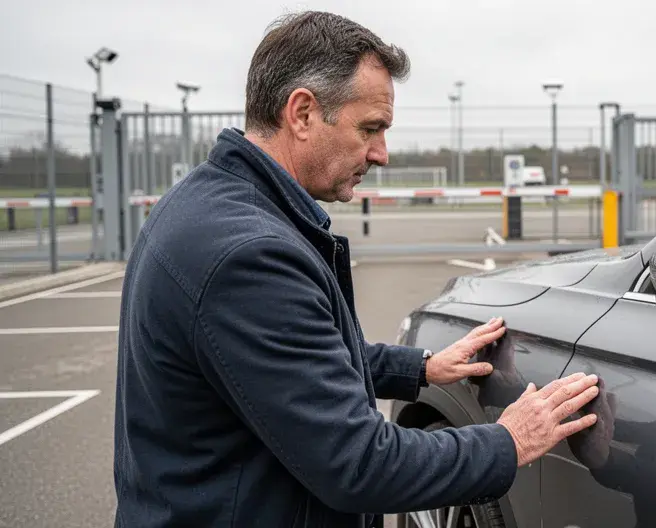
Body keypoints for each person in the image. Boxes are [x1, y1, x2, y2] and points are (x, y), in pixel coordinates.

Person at [112, 10, 601, 528]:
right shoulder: (249, 256)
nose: (382, 154)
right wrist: (509, 440)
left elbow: (283, 364)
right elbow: (360, 465)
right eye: (370, 128)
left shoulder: (207, 204)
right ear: (302, 113)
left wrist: (419, 369)